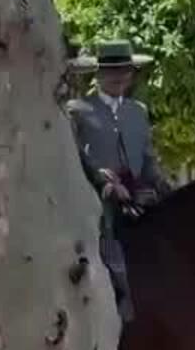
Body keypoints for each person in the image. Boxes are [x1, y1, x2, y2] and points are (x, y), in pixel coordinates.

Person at [66, 40, 172, 324]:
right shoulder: (77, 109)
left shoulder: (137, 111)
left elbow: (147, 157)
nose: (119, 76)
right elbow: (75, 156)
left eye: (125, 70)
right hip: (96, 201)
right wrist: (104, 182)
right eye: (112, 71)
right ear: (98, 74)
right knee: (107, 248)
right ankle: (118, 309)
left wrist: (159, 183)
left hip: (138, 196)